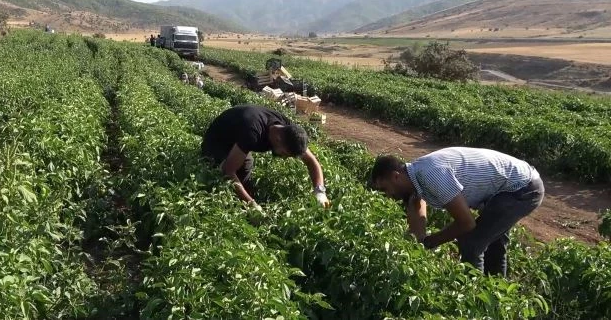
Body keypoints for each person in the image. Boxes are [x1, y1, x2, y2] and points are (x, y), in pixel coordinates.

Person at [370, 147, 544, 277]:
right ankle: (496, 296)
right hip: (508, 187)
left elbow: (467, 223)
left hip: (522, 188)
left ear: (395, 176)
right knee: (491, 242)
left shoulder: (431, 175)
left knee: (471, 242)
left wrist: (432, 241)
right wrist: (416, 242)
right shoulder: (415, 174)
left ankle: (476, 302)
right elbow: (416, 204)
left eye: (386, 189)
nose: (389, 195)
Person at [201, 104, 330, 211]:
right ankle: (230, 204)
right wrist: (252, 206)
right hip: (216, 142)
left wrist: (320, 191)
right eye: (285, 154)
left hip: (236, 137)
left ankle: (243, 198)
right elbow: (229, 170)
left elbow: (312, 161)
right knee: (225, 171)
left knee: (245, 165)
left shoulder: (288, 131)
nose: (284, 158)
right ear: (278, 139)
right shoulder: (253, 132)